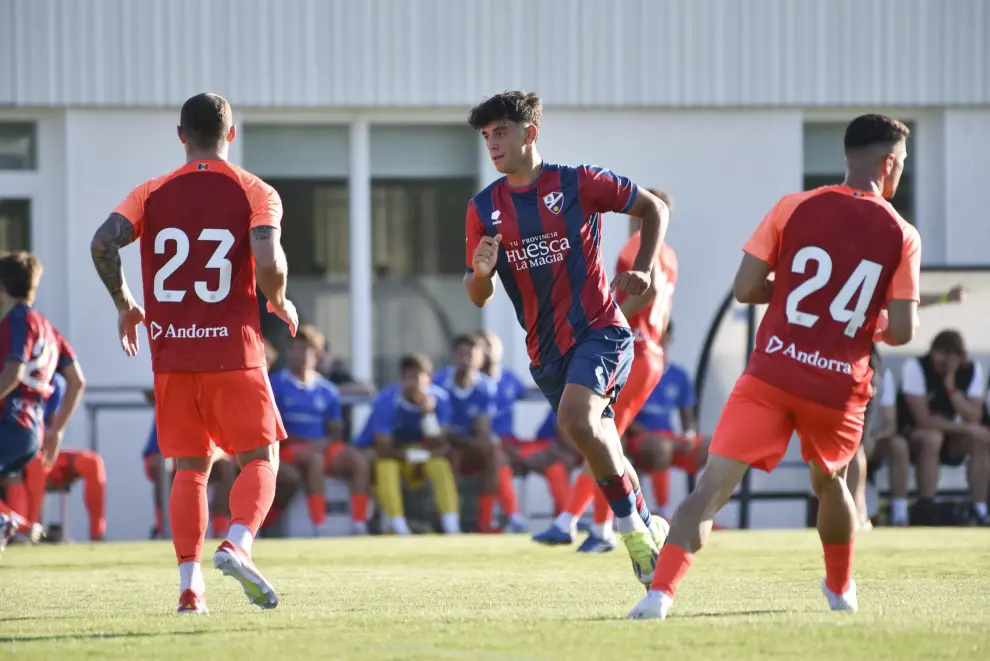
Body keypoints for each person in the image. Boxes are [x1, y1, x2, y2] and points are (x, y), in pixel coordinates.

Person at [628, 113, 921, 620]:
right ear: (889, 163)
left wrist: (788, 298)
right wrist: (855, 324)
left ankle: (660, 596)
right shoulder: (902, 233)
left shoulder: (793, 207)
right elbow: (902, 330)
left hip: (771, 373)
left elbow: (745, 290)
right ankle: (839, 589)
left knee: (711, 488)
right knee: (831, 485)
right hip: (837, 385)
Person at [90, 93, 296, 613]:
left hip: (173, 356)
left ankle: (190, 587)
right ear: (231, 134)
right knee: (261, 458)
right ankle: (238, 545)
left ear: (181, 136)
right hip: (235, 351)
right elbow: (268, 260)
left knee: (189, 469)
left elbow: (103, 242)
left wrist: (125, 304)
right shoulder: (256, 191)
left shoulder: (151, 192)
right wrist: (277, 298)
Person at [464, 90, 671, 586]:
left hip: (601, 329)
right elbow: (477, 297)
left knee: (578, 417)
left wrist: (643, 268)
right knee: (596, 437)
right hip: (545, 351)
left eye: (501, 133)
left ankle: (630, 532)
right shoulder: (483, 208)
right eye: (486, 136)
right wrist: (481, 275)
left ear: (529, 133)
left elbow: (653, 209)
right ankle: (645, 522)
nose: (492, 145)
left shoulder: (578, 182)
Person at [533, 189, 679, 552]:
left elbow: (646, 291)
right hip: (651, 351)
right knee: (605, 437)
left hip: (636, 348)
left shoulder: (637, 246)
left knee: (600, 438)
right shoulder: (670, 254)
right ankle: (595, 526)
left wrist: (607, 322)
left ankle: (581, 524)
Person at [847, 287, 963, 529]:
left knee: (858, 444)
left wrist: (944, 297)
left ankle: (868, 513)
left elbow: (904, 300)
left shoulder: (875, 279)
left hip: (861, 374)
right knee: (845, 445)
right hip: (833, 365)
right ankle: (844, 510)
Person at [0, 253, 85, 557]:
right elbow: (77, 381)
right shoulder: (48, 327)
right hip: (33, 430)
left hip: (11, 422)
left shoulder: (18, 320)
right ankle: (13, 523)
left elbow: (15, 371)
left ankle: (9, 522)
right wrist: (57, 430)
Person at [269, 325, 371, 535]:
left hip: (321, 446)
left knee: (359, 461)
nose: (298, 354)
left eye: (304, 349)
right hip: (290, 448)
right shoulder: (277, 383)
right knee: (314, 460)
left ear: (317, 354)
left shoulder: (328, 390)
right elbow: (271, 427)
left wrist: (325, 442)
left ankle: (359, 524)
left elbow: (335, 431)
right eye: (294, 349)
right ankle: (319, 525)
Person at [355, 354, 461, 535]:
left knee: (440, 465)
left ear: (429, 379)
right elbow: (383, 449)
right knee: (385, 467)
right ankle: (398, 525)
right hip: (387, 456)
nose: (412, 384)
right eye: (407, 378)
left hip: (417, 454)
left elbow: (439, 444)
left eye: (417, 377)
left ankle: (452, 525)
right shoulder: (387, 400)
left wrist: (428, 415)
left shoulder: (440, 400)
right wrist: (422, 455)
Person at [896, 330, 989, 525]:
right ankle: (926, 507)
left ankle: (979, 508)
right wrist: (965, 428)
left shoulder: (971, 370)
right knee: (932, 438)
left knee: (981, 438)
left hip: (953, 437)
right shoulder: (916, 367)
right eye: (941, 353)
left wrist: (951, 385)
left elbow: (974, 415)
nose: (945, 360)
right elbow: (923, 420)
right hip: (914, 436)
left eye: (951, 355)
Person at [476, 331, 542, 533]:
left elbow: (532, 394)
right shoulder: (470, 380)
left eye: (491, 345)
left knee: (554, 460)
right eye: (483, 346)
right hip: (478, 445)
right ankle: (509, 517)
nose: (488, 350)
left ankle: (566, 517)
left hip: (509, 441)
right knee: (499, 459)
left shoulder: (509, 378)